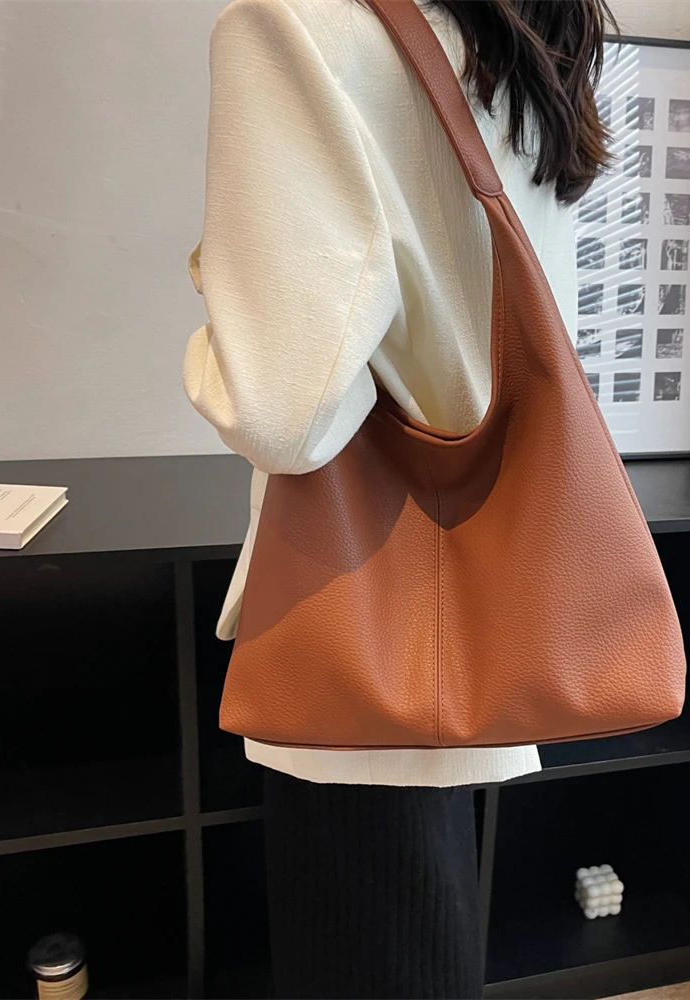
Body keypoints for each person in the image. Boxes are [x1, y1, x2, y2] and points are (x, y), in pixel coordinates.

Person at [183, 0, 614, 995]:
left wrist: (217, 299)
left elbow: (280, 412)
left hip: (358, 612)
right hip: (476, 601)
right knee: (421, 937)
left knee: (368, 947)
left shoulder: (292, 28)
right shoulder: (522, 43)